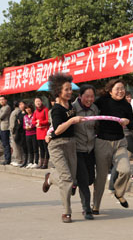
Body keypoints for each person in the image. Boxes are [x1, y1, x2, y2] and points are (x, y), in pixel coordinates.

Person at [42, 73, 82, 223]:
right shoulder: (56, 109)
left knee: (71, 179)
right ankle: (66, 212)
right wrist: (72, 120)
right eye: (66, 89)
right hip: (57, 145)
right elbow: (57, 130)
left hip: (71, 143)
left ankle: (51, 178)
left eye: (70, 89)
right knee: (66, 179)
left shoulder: (70, 105)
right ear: (58, 91)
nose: (70, 92)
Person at [92, 78, 133, 215]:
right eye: (117, 89)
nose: (121, 91)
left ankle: (118, 192)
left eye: (122, 89)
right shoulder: (102, 101)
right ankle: (95, 205)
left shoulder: (127, 105)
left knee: (126, 170)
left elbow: (132, 125)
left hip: (120, 142)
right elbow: (89, 109)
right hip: (102, 142)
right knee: (101, 177)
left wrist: (127, 121)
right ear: (110, 91)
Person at [72, 84, 98, 220]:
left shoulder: (94, 109)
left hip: (90, 149)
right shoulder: (72, 108)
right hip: (77, 149)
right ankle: (87, 209)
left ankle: (74, 182)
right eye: (87, 96)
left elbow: (98, 126)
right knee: (83, 179)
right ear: (80, 96)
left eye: (92, 96)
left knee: (89, 179)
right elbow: (62, 123)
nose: (89, 99)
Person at [33, 97, 50, 169]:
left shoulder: (45, 110)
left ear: (41, 102)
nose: (38, 103)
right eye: (36, 101)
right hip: (38, 132)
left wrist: (40, 123)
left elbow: (48, 120)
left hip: (45, 131)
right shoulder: (35, 111)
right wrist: (36, 123)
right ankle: (41, 163)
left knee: (46, 148)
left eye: (39, 101)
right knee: (41, 148)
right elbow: (33, 121)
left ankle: (45, 163)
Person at [0, 96, 12, 165]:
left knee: (6, 144)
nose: (1, 101)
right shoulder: (1, 108)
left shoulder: (7, 107)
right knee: (4, 144)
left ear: (6, 100)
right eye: (0, 100)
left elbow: (0, 117)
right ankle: (6, 158)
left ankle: (7, 159)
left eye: (3, 99)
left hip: (6, 127)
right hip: (2, 127)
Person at [9, 101, 24, 167]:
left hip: (15, 131)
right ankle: (20, 159)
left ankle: (19, 160)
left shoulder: (15, 112)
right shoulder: (18, 111)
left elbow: (12, 123)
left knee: (16, 146)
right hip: (17, 130)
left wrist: (12, 131)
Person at [24, 103, 38, 168]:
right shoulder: (25, 117)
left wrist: (31, 127)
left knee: (35, 148)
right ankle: (30, 161)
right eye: (26, 108)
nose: (27, 109)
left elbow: (35, 123)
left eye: (29, 108)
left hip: (34, 133)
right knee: (30, 148)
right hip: (27, 134)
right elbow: (24, 125)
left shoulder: (34, 115)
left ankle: (36, 162)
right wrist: (25, 127)